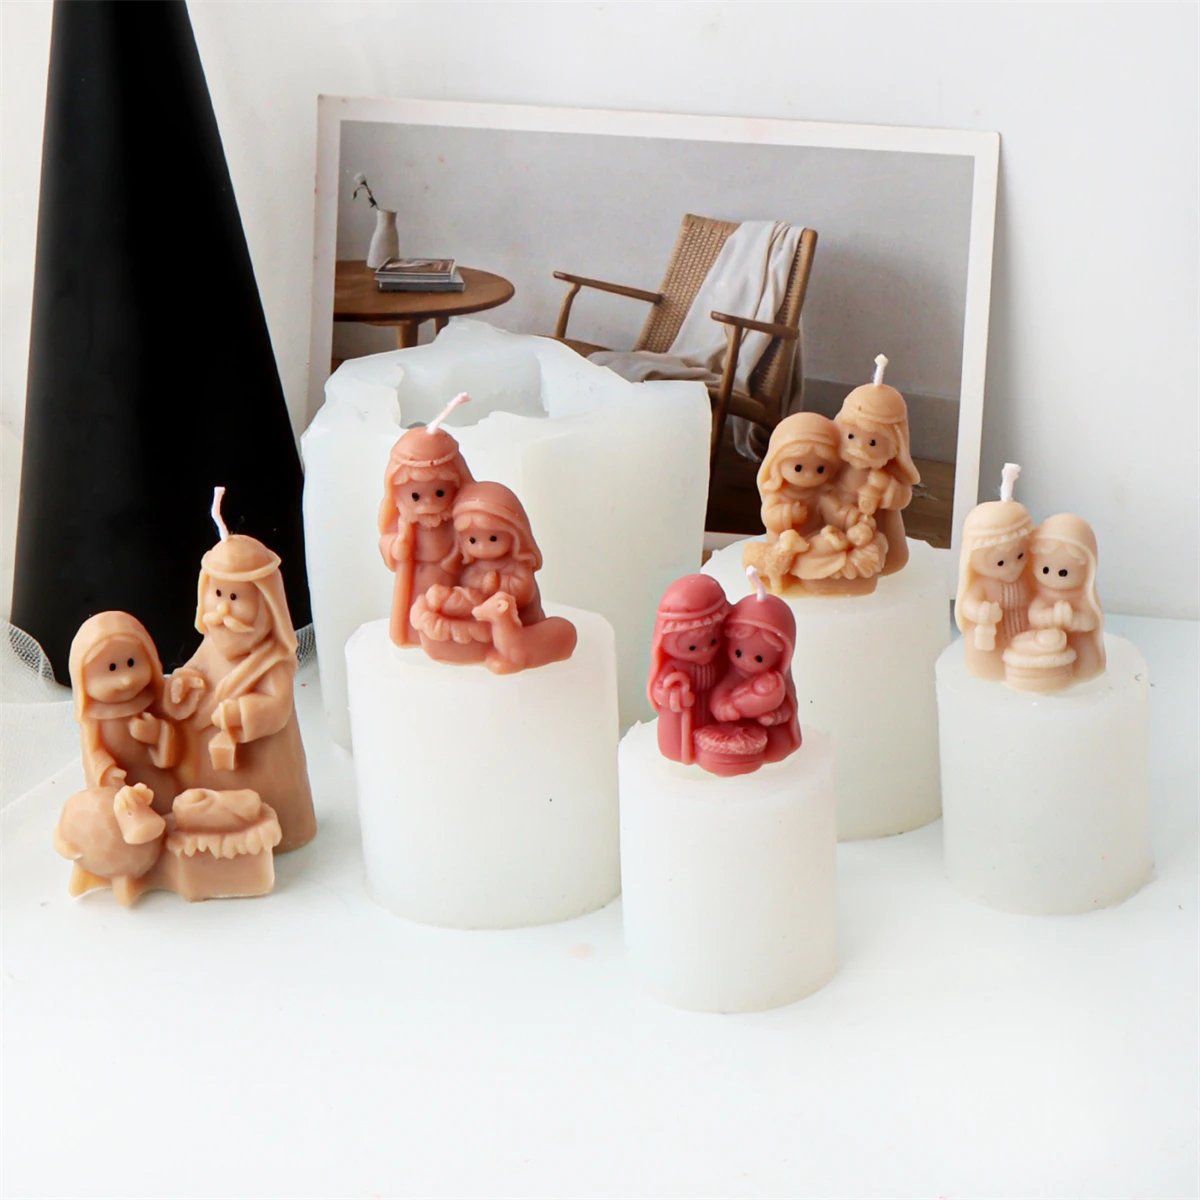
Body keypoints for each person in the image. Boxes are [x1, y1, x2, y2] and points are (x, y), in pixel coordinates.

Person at [164, 529, 316, 853]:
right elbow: (195, 670)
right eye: (218, 593)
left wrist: (240, 713)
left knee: (269, 805)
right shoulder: (212, 645)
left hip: (264, 765)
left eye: (235, 597)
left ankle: (282, 835)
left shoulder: (273, 661)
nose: (223, 608)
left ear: (266, 603)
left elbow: (276, 707)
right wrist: (181, 683)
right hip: (211, 765)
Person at [378, 397, 474, 646]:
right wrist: (396, 548)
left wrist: (459, 554)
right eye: (416, 496)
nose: (428, 503)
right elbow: (387, 539)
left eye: (439, 493)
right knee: (417, 615)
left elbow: (470, 540)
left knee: (450, 609)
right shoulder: (405, 521)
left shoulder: (458, 519)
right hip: (418, 574)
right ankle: (418, 638)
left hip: (450, 572)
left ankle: (449, 640)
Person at [68, 611, 179, 812]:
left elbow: (176, 739)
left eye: (131, 663)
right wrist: (106, 770)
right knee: (120, 809)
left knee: (167, 801)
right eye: (112, 668)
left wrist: (158, 734)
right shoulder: (95, 718)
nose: (126, 680)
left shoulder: (152, 701)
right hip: (119, 781)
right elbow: (93, 750)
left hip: (152, 775)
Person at [646, 575, 731, 765]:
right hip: (686, 716)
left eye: (713, 641)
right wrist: (672, 694)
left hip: (712, 708)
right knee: (681, 747)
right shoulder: (673, 667)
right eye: (692, 647)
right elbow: (659, 689)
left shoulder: (721, 659)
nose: (705, 651)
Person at [1026, 513, 1106, 682]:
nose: (1053, 578)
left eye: (1063, 573)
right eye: (1045, 569)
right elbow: (1034, 614)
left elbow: (1091, 620)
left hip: (1077, 639)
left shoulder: (1082, 596)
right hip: (1047, 638)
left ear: (1087, 570)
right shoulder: (1042, 593)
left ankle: (1084, 672)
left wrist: (1074, 620)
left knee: (1085, 656)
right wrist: (1049, 617)